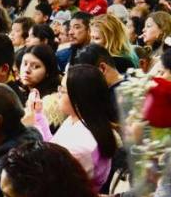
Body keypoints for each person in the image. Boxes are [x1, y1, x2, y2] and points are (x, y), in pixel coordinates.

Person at [30, 62, 118, 190]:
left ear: (79, 99)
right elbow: (52, 145)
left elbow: (49, 180)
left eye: (63, 90)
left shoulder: (82, 146)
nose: (58, 93)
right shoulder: (78, 120)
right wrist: (38, 115)